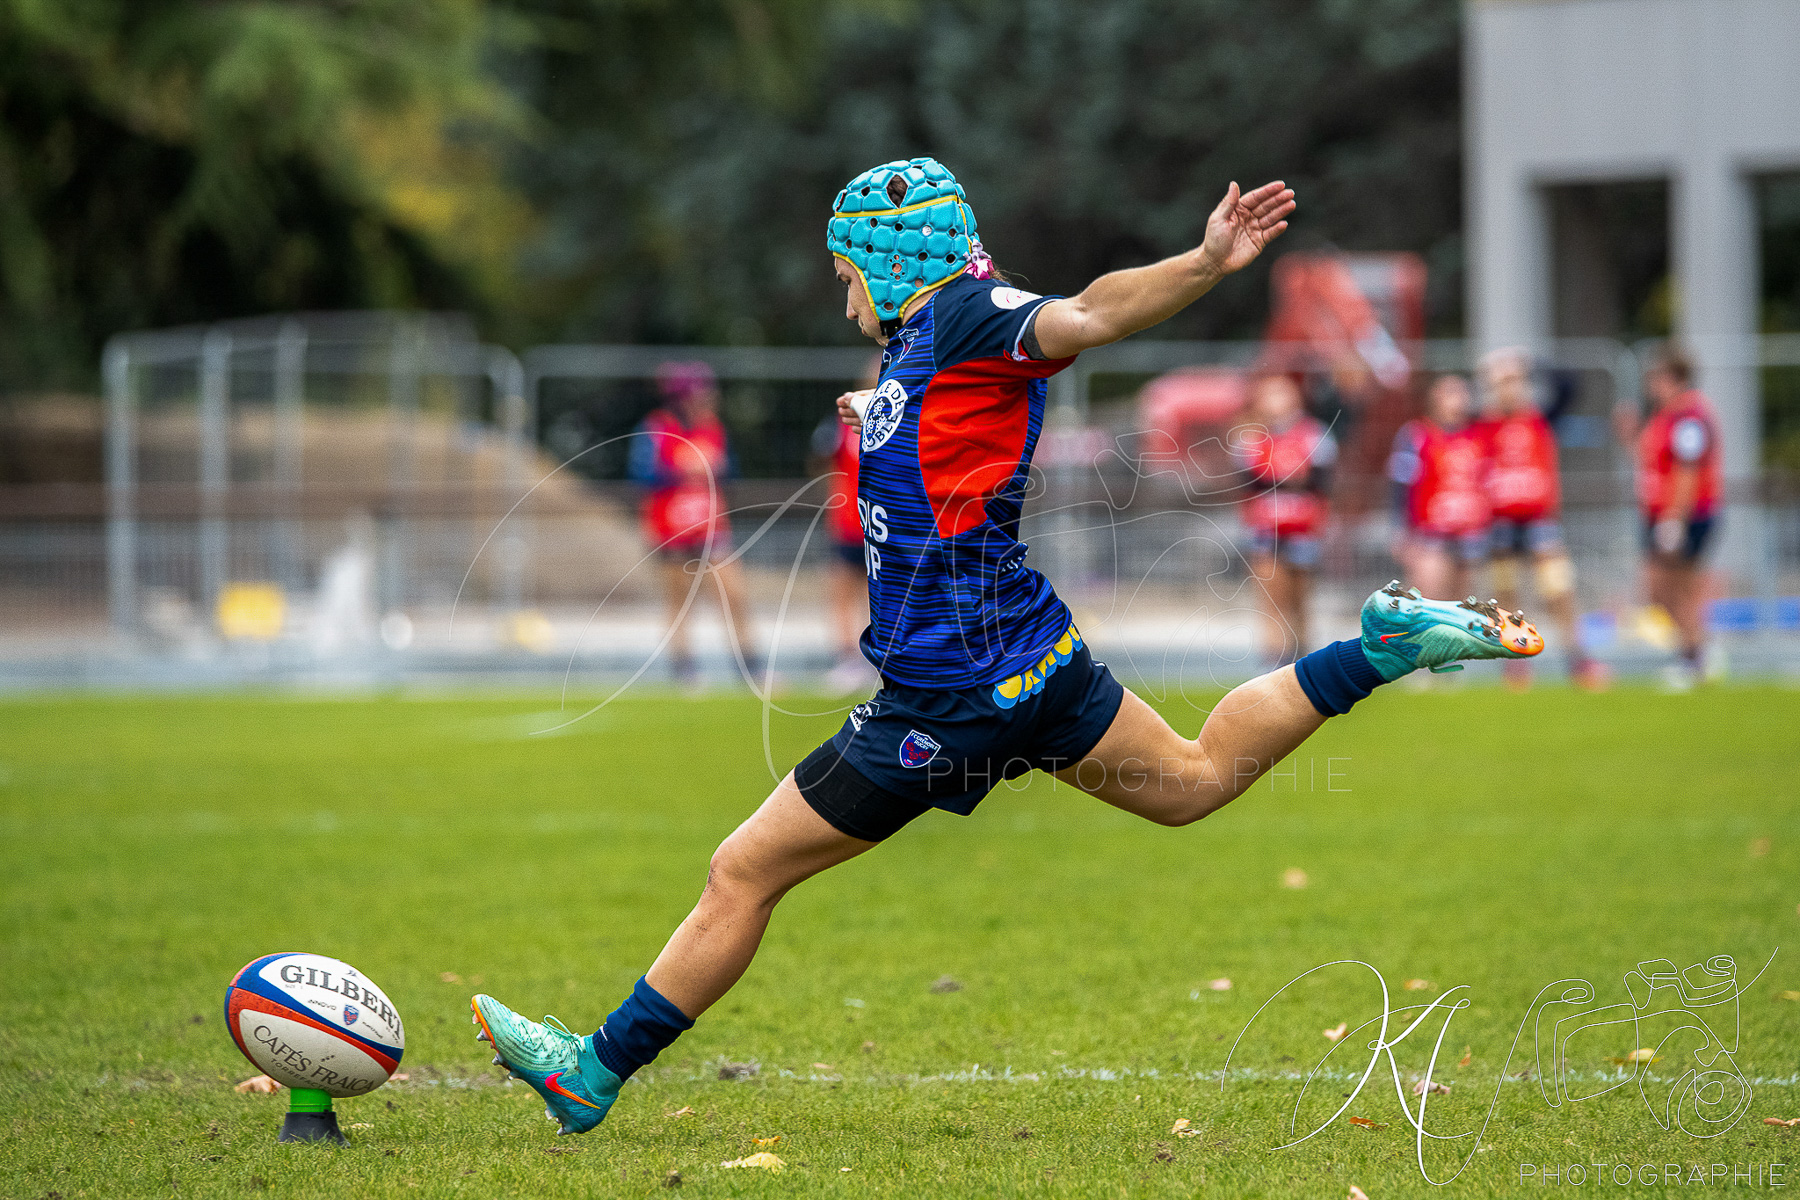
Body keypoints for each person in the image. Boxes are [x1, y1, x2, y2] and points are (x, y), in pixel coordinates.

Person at [470, 158, 1543, 1136]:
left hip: (947, 697)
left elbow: (1082, 315)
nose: (844, 295)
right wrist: (878, 406)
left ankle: (591, 1072)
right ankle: (1385, 650)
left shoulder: (977, 313)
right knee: (1195, 782)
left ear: (895, 263)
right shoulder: (924, 347)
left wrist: (1208, 260)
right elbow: (946, 420)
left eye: (849, 272)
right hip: (1034, 654)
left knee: (741, 873)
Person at [1477, 348, 1603, 690]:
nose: (1508, 389)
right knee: (1506, 592)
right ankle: (1516, 664)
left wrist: (1530, 362)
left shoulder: (1541, 418)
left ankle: (1578, 659)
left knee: (1558, 588)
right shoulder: (1481, 425)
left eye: (1514, 381)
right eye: (1501, 382)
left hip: (1538, 519)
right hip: (1500, 522)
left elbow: (1571, 384)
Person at [628, 361, 759, 687]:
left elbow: (731, 471)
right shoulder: (656, 428)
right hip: (670, 530)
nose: (709, 398)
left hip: (711, 527)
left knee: (734, 596)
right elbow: (642, 475)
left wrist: (715, 466)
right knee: (680, 603)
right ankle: (684, 669)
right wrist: (684, 470)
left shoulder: (712, 427)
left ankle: (751, 667)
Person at [1613, 345, 1721, 688]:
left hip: (1682, 516)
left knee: (1668, 588)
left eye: (1656, 377)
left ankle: (1695, 657)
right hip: (1660, 515)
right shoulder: (1666, 416)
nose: (1651, 385)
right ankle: (1696, 653)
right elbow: (1652, 464)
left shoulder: (1688, 417)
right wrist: (1630, 438)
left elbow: (1687, 471)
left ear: (1672, 378)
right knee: (1667, 590)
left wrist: (1674, 520)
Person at [1233, 371, 1338, 663]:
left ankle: (1302, 657)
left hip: (1303, 527)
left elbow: (1319, 482)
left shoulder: (1313, 434)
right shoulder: (1251, 438)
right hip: (1266, 528)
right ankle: (1274, 660)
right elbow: (1250, 484)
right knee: (1270, 597)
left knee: (1300, 600)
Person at [807, 355, 881, 693]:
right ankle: (848, 660)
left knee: (884, 597)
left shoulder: (908, 419)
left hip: (885, 527)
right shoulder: (841, 423)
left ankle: (883, 660)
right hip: (849, 523)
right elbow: (820, 460)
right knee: (841, 593)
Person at [1388, 373, 1491, 602]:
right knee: (1427, 600)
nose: (1458, 399)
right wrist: (1400, 530)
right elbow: (1400, 484)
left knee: (1466, 606)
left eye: (1462, 392)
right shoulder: (1416, 435)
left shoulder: (1479, 434)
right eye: (1450, 392)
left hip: (1470, 530)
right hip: (1430, 531)